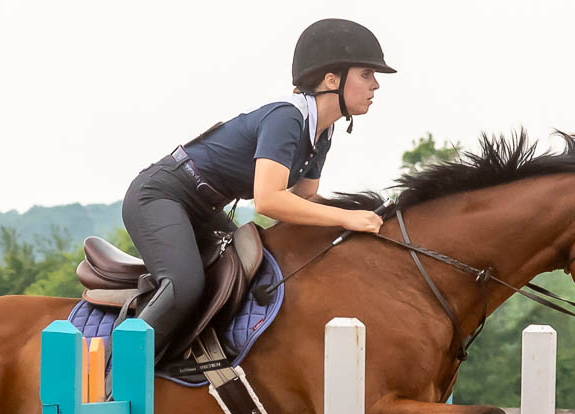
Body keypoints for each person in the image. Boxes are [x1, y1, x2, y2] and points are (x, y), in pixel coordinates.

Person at [119, 18, 392, 364]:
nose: (376, 85)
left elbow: (304, 199)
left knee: (254, 272)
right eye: (367, 74)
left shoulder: (322, 132)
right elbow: (270, 200)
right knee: (185, 287)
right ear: (331, 80)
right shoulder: (287, 118)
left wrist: (358, 221)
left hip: (202, 208)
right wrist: (348, 217)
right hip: (160, 196)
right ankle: (115, 374)